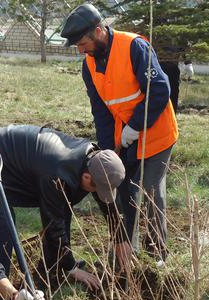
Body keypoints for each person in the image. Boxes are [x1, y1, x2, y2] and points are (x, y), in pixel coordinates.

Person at [60, 4, 178, 265]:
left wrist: (135, 126)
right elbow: (100, 111)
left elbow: (159, 90)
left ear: (99, 31)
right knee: (122, 187)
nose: (80, 50)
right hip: (122, 136)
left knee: (149, 189)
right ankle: (127, 252)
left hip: (157, 131)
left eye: (82, 43)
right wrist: (106, 152)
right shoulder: (89, 65)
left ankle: (158, 252)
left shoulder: (134, 47)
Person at [0, 125, 127, 300]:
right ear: (87, 177)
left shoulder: (95, 160)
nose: (97, 193)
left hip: (11, 152)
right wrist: (71, 267)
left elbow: (107, 202)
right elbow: (53, 222)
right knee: (4, 226)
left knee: (61, 208)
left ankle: (53, 269)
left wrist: (120, 238)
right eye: (96, 188)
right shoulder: (55, 173)